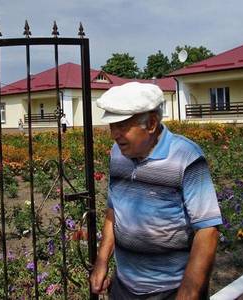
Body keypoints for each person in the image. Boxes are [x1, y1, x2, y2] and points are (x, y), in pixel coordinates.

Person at [90, 82, 222, 300]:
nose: (114, 134)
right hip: (124, 288)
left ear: (151, 124)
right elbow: (114, 212)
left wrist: (188, 293)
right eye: (112, 126)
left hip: (171, 290)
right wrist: (102, 261)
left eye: (122, 126)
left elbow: (207, 231)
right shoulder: (117, 154)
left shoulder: (186, 157)